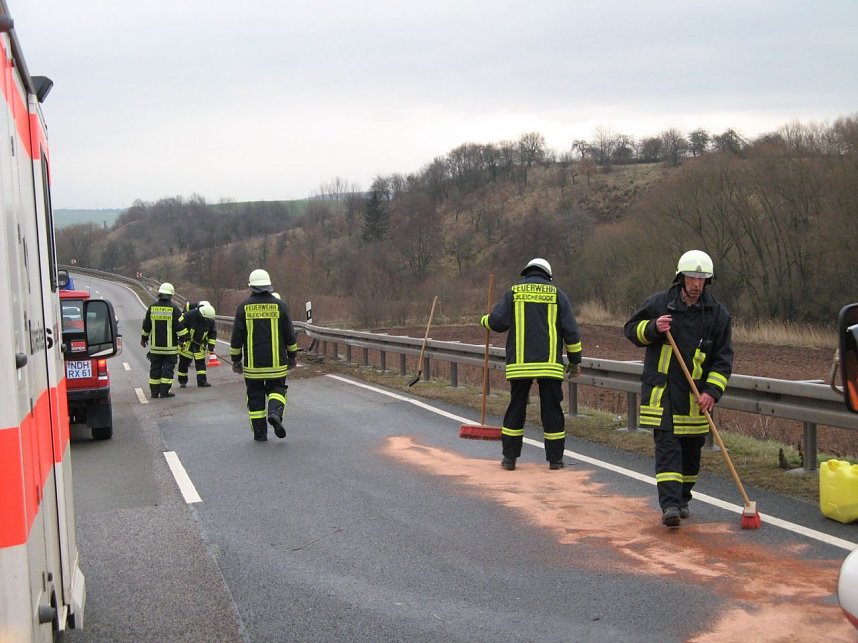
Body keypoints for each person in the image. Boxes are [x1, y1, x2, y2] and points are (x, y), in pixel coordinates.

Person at [623, 249, 733, 528]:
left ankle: (683, 498)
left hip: (696, 398)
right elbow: (630, 330)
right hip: (663, 394)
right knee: (668, 449)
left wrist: (712, 392)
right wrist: (652, 327)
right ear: (681, 277)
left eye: (701, 279)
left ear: (708, 281)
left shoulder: (718, 315)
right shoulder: (660, 303)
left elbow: (723, 359)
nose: (696, 284)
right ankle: (670, 505)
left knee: (691, 455)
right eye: (691, 278)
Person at [481, 258, 583, 470]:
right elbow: (571, 332)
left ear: (526, 272)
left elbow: (498, 323)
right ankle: (555, 460)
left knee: (516, 408)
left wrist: (485, 320)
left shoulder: (514, 292)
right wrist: (575, 362)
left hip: (520, 365)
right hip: (549, 366)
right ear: (548, 275)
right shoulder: (557, 294)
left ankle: (509, 459)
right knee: (552, 410)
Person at [230, 269, 299, 441]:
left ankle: (260, 434)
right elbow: (290, 335)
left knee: (255, 397)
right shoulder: (281, 306)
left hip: (253, 367)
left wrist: (236, 360)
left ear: (251, 286)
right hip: (277, 364)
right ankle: (275, 412)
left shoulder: (243, 307)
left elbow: (237, 337)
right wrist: (292, 356)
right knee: (278, 390)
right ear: (269, 285)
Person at [141, 282, 188, 399]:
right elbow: (181, 328)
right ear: (171, 295)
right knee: (168, 369)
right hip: (170, 349)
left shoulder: (152, 308)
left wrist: (144, 338)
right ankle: (164, 392)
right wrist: (183, 340)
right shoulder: (174, 309)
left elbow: (146, 326)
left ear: (160, 294)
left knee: (155, 369)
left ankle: (154, 392)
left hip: (155, 348)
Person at [177, 303, 217, 388]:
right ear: (202, 314)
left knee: (201, 364)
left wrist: (211, 346)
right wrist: (185, 334)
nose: (207, 320)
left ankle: (202, 382)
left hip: (200, 344)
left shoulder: (210, 320)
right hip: (187, 343)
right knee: (183, 363)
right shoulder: (190, 315)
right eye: (206, 318)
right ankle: (182, 381)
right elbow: (179, 325)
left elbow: (212, 333)